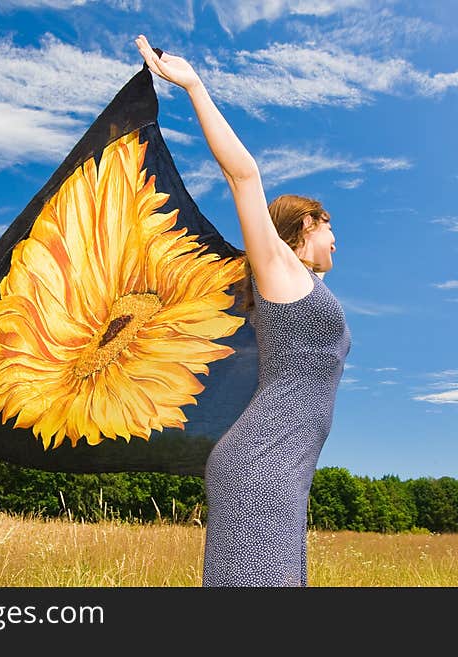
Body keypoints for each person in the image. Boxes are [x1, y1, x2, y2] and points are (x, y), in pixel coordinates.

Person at [135, 35, 351, 587]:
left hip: (282, 471)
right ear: (304, 227)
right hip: (260, 469)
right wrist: (194, 86)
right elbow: (244, 175)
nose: (336, 241)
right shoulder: (279, 273)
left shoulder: (305, 287)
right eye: (329, 228)